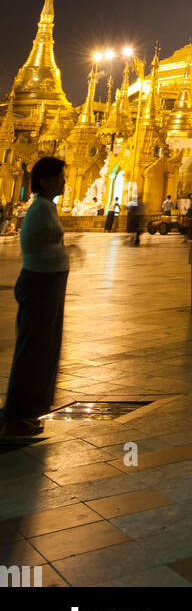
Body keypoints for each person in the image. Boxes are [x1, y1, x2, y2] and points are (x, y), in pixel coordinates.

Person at [0, 157, 69, 440]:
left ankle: (28, 411)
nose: (65, 181)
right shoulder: (39, 209)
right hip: (40, 284)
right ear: (44, 181)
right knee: (33, 350)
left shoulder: (47, 207)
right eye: (60, 176)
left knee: (43, 349)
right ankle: (16, 415)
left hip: (48, 283)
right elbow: (34, 245)